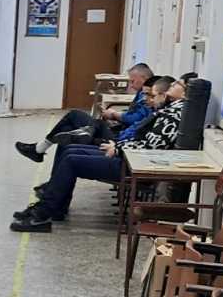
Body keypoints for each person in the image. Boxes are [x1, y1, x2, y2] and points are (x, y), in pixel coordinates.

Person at [11, 78, 188, 232]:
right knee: (68, 148)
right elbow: (143, 140)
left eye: (177, 84)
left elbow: (151, 147)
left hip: (132, 164)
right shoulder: (170, 110)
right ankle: (55, 208)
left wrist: (118, 148)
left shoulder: (173, 115)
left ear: (185, 93)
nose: (172, 85)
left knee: (71, 159)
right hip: (126, 154)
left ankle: (42, 215)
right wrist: (118, 146)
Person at [15, 61, 156, 163]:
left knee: (74, 115)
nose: (131, 85)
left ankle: (39, 150)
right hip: (120, 131)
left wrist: (115, 114)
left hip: (119, 139)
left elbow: (136, 119)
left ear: (144, 78)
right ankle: (51, 179)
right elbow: (136, 115)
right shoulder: (144, 92)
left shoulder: (149, 94)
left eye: (133, 81)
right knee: (67, 133)